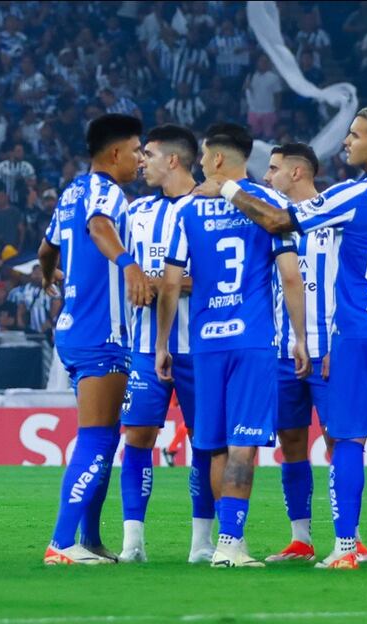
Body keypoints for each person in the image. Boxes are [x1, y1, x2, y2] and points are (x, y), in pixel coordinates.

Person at [198, 106, 367, 570]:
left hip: (357, 333)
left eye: (354, 135)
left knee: (349, 440)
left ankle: (346, 549)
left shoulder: (352, 194)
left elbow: (278, 223)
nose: (345, 142)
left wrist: (229, 187)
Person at [155, 123, 308, 568]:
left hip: (204, 343)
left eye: (203, 157)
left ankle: (226, 546)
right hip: (253, 339)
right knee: (243, 445)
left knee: (215, 445)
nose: (200, 164)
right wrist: (299, 337)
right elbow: (291, 276)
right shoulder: (271, 206)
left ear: (218, 159)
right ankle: (230, 543)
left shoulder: (185, 211)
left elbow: (169, 284)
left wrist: (163, 344)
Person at [39, 113, 151, 566]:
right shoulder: (106, 193)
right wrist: (128, 264)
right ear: (115, 153)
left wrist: (50, 279)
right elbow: (100, 227)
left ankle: (90, 539)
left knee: (102, 436)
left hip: (72, 329)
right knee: (99, 438)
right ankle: (62, 542)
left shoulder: (70, 193)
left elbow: (47, 249)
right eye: (137, 150)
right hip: (102, 334)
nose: (141, 158)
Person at [261, 142, 361, 563]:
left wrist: (344, 343)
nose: (267, 177)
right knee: (292, 442)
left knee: (339, 442)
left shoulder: (339, 219)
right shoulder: (272, 224)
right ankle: (301, 538)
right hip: (283, 352)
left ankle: (349, 538)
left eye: (274, 168)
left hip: (329, 352)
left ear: (298, 173)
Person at [116, 124, 210, 564]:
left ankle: (202, 543)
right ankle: (132, 542)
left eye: (148, 155)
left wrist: (166, 284)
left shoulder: (213, 209)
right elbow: (124, 269)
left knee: (207, 442)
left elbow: (224, 279)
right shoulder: (136, 214)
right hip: (143, 345)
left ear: (173, 160)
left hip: (202, 345)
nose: (141, 161)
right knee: (137, 435)